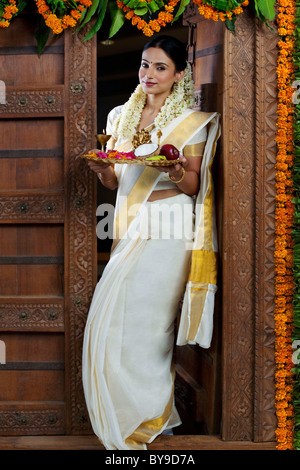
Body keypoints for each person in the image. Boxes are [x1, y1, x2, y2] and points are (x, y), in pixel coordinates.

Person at [82, 35, 220, 450]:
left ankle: (150, 419)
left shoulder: (192, 122)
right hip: (131, 224)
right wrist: (102, 171)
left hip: (169, 228)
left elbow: (194, 185)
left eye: (160, 67)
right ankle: (130, 417)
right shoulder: (120, 116)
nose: (149, 74)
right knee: (112, 326)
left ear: (179, 74)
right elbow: (116, 179)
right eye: (145, 65)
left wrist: (175, 168)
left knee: (148, 329)